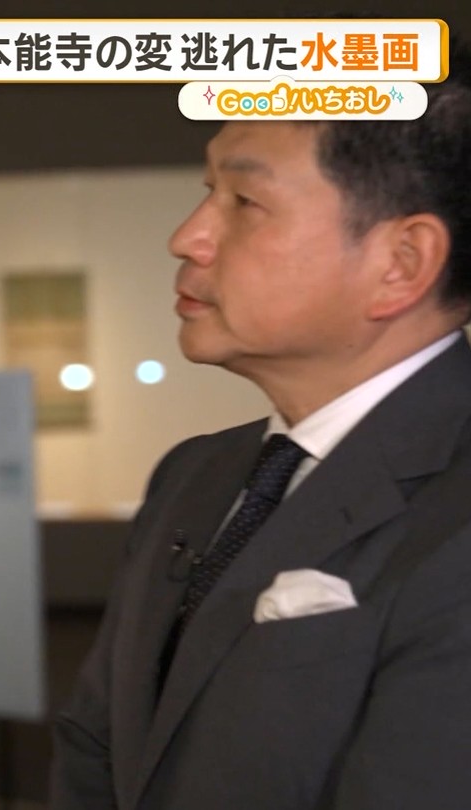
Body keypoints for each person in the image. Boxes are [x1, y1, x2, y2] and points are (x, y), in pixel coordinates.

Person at [50, 38, 471, 810]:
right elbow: (97, 746)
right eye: (206, 191)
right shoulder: (194, 475)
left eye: (244, 202)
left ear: (402, 263)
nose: (187, 237)